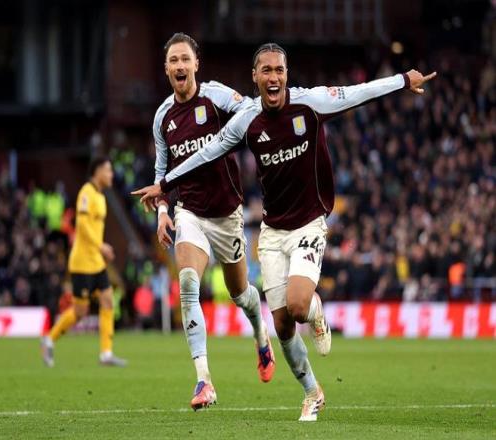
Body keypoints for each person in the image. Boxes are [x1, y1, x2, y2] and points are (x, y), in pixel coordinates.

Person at [132, 42, 437, 421]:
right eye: (266, 71)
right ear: (255, 78)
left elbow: (357, 93)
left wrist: (402, 80)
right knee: (276, 322)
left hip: (299, 221)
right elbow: (207, 153)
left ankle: (314, 311)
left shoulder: (307, 104)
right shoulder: (239, 120)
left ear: (286, 75)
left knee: (294, 305)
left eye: (279, 70)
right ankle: (307, 391)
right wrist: (165, 188)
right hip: (265, 229)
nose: (273, 77)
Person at [138, 33, 275, 411]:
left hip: (227, 213)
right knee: (187, 283)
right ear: (166, 69)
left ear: (196, 64)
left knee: (241, 294)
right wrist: (163, 212)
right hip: (190, 212)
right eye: (174, 61)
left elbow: (251, 109)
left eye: (186, 59)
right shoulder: (163, 117)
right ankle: (204, 380)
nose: (180, 66)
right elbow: (161, 173)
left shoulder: (215, 96)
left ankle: (261, 334)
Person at [41, 157, 126, 367]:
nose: (111, 174)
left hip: (96, 262)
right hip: (81, 263)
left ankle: (106, 353)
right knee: (80, 312)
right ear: (97, 171)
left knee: (108, 300)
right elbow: (82, 225)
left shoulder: (101, 197)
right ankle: (49, 339)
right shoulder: (86, 192)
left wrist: (100, 249)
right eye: (108, 170)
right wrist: (101, 246)